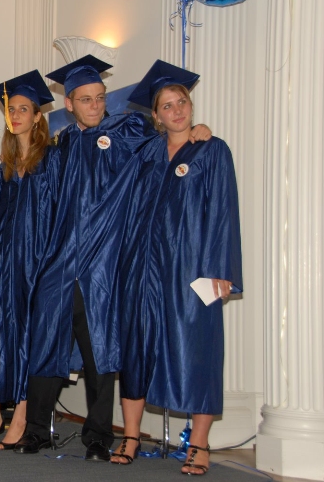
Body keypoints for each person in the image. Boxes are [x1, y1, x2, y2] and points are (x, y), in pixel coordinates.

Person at [18, 55, 211, 460]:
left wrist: (196, 130)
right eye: (85, 99)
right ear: (69, 104)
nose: (95, 105)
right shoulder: (61, 148)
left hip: (104, 266)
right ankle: (36, 431)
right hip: (60, 264)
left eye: (100, 97)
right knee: (45, 344)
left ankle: (98, 437)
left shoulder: (127, 132)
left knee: (100, 353)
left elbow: (167, 141)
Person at [111, 60, 242, 475]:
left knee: (198, 350)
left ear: (191, 105)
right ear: (156, 115)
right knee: (136, 349)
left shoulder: (212, 150)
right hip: (142, 268)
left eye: (181, 102)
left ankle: (199, 444)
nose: (177, 111)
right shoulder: (145, 154)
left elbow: (223, 211)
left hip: (192, 269)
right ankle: (131, 435)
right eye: (166, 106)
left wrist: (222, 269)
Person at [0, 70, 60, 449]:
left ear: (38, 117)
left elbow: (59, 217)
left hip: (35, 264)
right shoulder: (4, 168)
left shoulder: (53, 159)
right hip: (1, 265)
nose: (16, 115)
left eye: (24, 109)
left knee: (26, 338)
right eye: (12, 109)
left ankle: (21, 416)